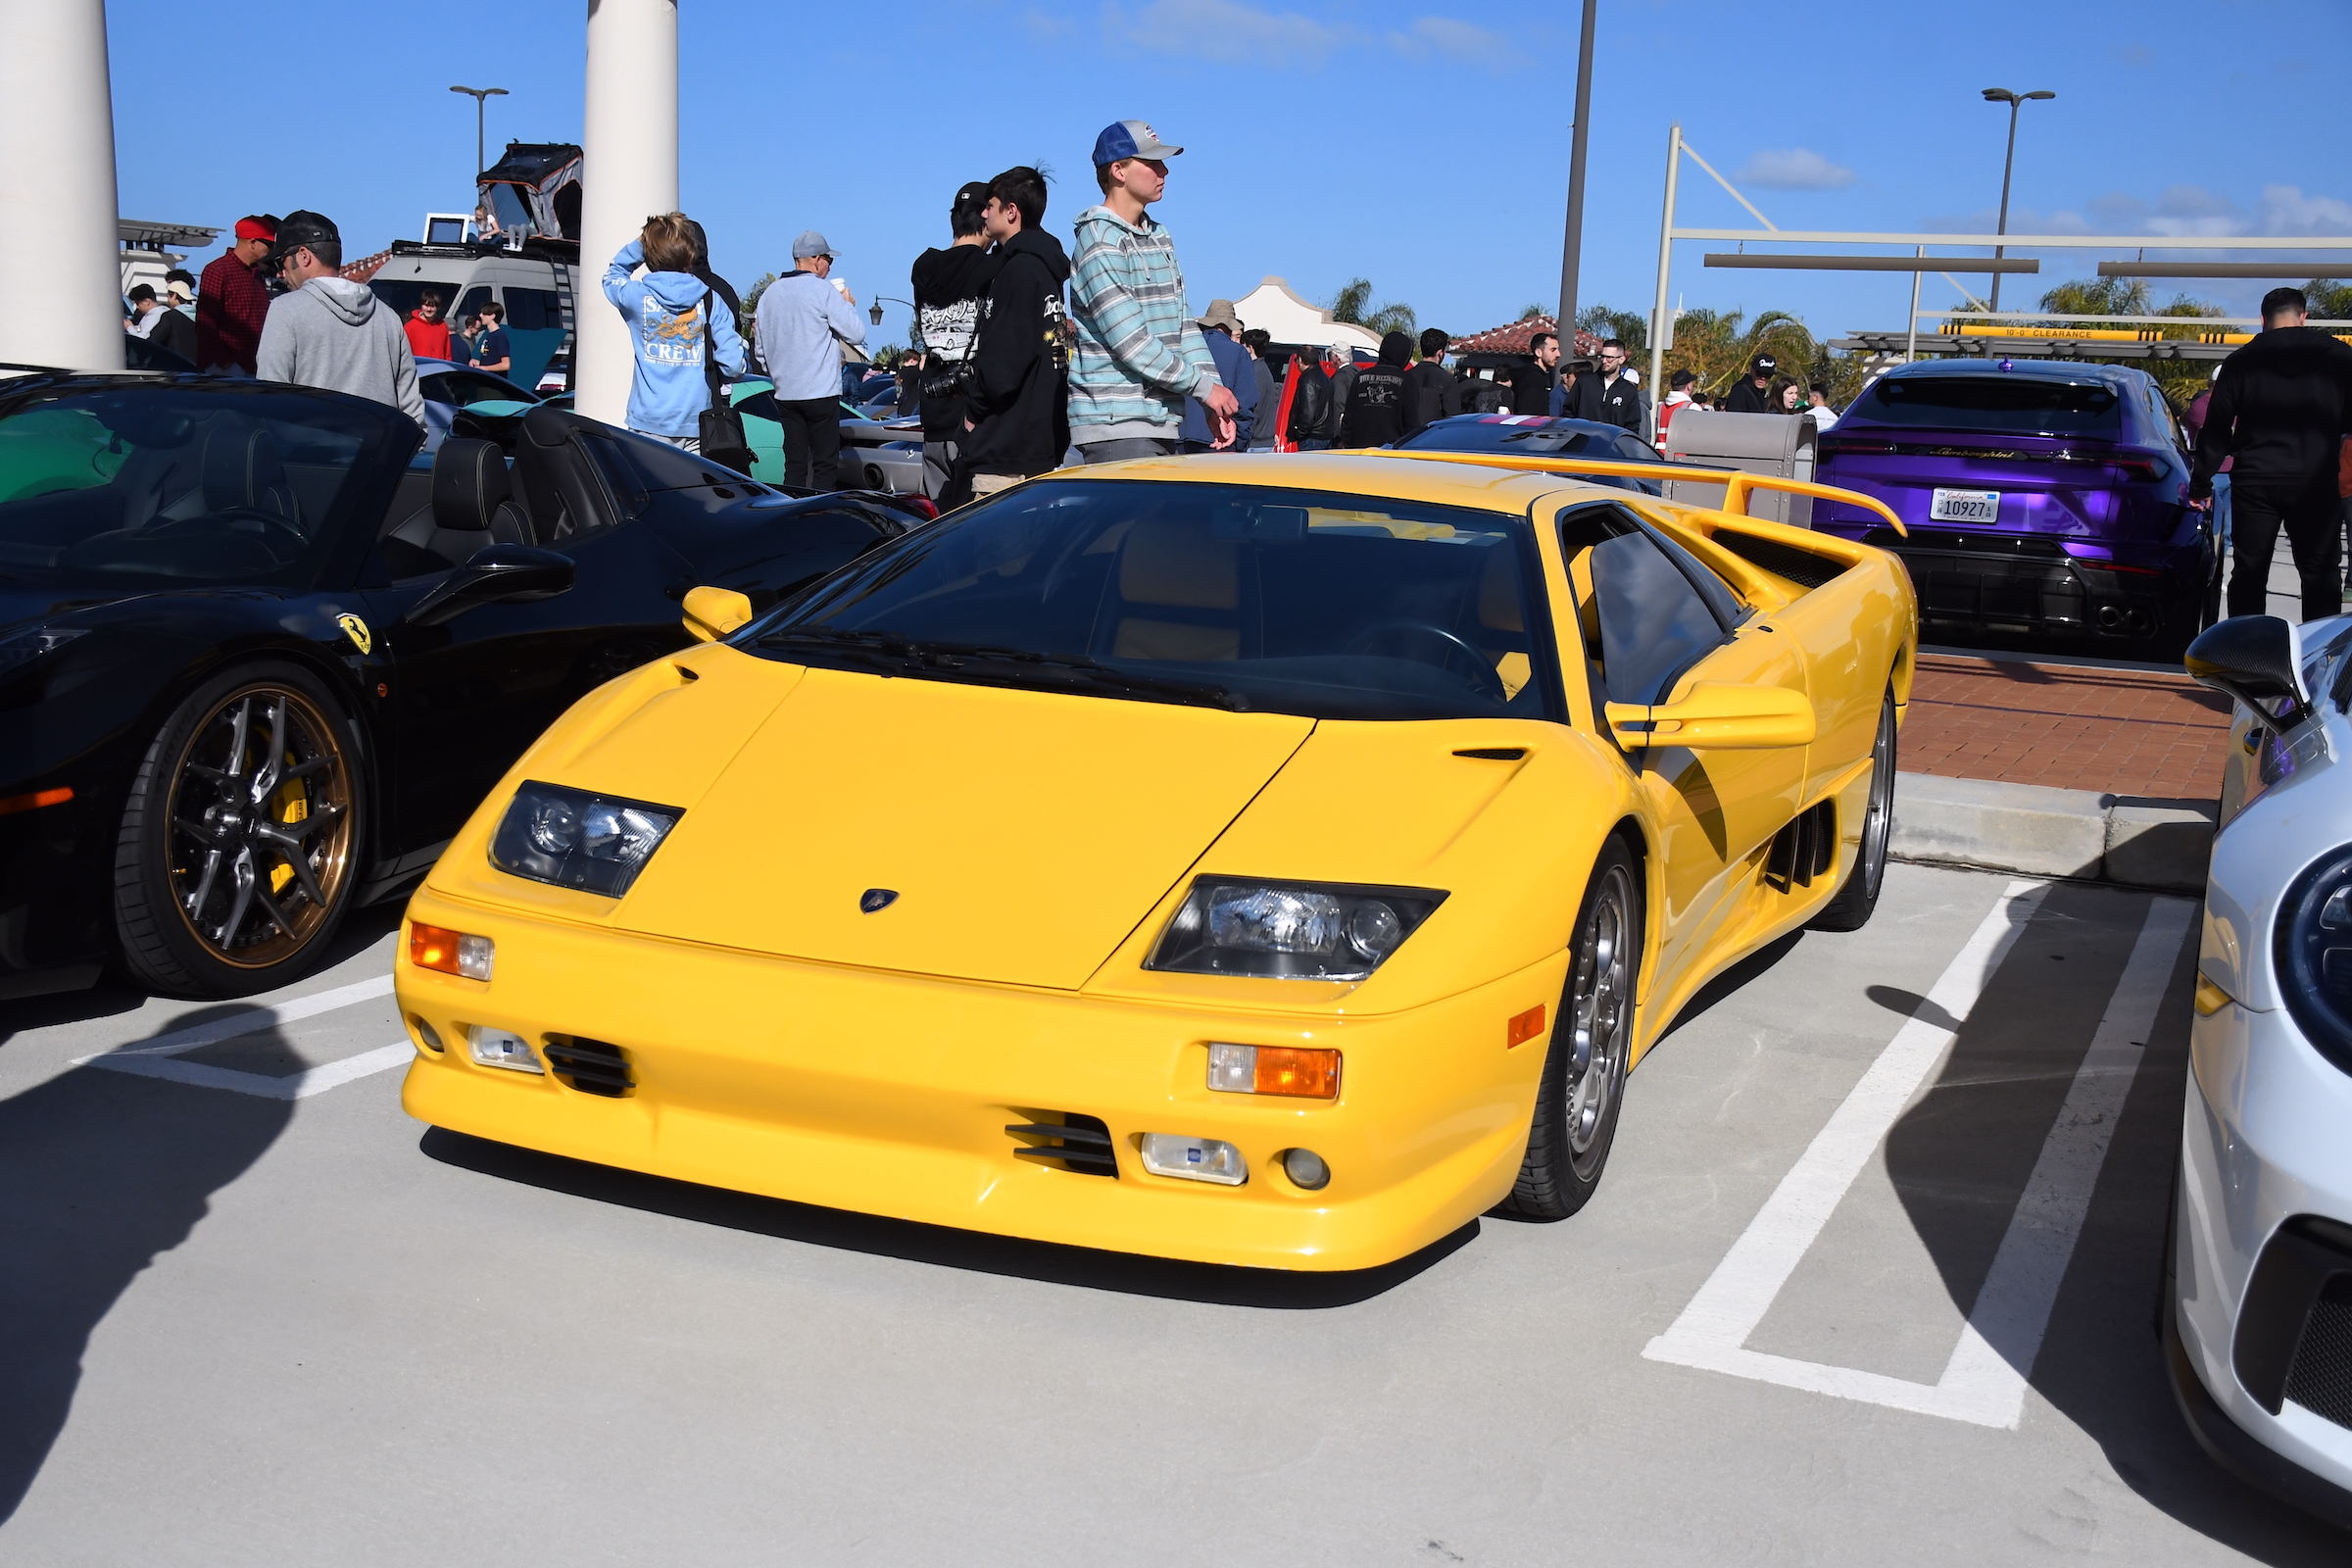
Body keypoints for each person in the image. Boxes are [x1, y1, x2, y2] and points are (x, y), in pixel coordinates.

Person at [1067, 120, 1238, 463]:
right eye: (1152, 162)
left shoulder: (1160, 237)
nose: (1164, 171)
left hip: (1160, 423)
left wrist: (1211, 399)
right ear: (1118, 171)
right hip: (1116, 424)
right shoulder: (1098, 240)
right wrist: (1206, 390)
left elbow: (1184, 326)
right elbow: (1132, 342)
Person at [2191, 286, 2352, 621]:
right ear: (2303, 316)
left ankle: (2248, 646)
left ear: (2262, 319)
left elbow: (2217, 427)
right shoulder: (2339, 357)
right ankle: (2318, 647)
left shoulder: (2241, 361)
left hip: (2255, 479)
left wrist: (2201, 482)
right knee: (2320, 573)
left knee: (2250, 571)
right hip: (2316, 479)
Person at [952, 167, 1072, 502]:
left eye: (990, 205)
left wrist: (972, 416)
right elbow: (1057, 347)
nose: (983, 213)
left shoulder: (1019, 271)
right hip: (1040, 444)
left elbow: (1002, 364)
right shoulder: (1046, 271)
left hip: (1005, 451)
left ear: (1011, 211)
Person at [254, 211, 423, 427]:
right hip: (379, 445)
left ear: (304, 256)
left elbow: (270, 395)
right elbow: (410, 406)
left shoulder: (285, 310)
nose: (280, 274)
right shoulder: (387, 316)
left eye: (281, 263)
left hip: (307, 445)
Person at [602, 212, 749, 451]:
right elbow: (733, 366)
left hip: (647, 424)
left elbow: (613, 274)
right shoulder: (712, 301)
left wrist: (642, 244)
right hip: (698, 425)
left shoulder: (636, 297)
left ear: (649, 256)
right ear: (690, 257)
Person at [756, 229, 868, 490]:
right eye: (829, 260)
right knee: (824, 465)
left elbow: (761, 353)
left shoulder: (769, 295)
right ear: (817, 259)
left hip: (786, 394)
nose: (830, 266)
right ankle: (820, 510)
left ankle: (792, 509)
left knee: (794, 465)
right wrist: (847, 305)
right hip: (821, 393)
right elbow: (856, 333)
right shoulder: (823, 291)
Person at [910, 181, 1002, 498]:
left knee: (938, 513)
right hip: (972, 412)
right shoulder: (992, 268)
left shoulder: (923, 268)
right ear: (985, 218)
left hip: (933, 407)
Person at [195, 215, 277, 374]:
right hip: (226, 367)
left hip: (252, 364)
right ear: (253, 243)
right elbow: (205, 322)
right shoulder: (218, 270)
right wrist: (224, 361)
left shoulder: (256, 273)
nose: (271, 249)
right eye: (268, 244)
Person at [1179, 300, 1257, 453]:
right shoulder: (1238, 352)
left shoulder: (1184, 349)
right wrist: (1240, 441)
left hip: (1180, 435)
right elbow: (1245, 402)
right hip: (1221, 438)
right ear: (1230, 327)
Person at [1340, 331, 1412, 447]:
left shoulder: (1360, 377)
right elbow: (1412, 425)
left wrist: (1349, 446)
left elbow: (1348, 420)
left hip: (1360, 451)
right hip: (1392, 453)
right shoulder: (1408, 381)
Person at [1401, 326, 1461, 436]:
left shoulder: (1406, 377)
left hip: (1407, 439)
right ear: (1440, 353)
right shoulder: (1447, 380)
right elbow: (1453, 419)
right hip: (1434, 440)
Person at [1592, 338, 1647, 432]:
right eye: (1602, 356)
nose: (1604, 361)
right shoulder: (1584, 383)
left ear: (1621, 359)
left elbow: (1632, 426)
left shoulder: (1629, 391)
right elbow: (1569, 414)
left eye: (1609, 357)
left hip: (1614, 441)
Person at [1241, 328, 1281, 452]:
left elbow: (1255, 407)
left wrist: (1243, 435)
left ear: (1250, 348)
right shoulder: (1263, 369)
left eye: (1242, 345)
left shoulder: (1256, 372)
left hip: (1255, 444)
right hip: (1262, 441)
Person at [1513, 330, 1558, 416]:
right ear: (1538, 352)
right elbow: (1528, 414)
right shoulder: (1534, 378)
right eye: (1553, 350)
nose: (1558, 354)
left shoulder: (1535, 375)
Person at [404, 288, 454, 362]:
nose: (429, 309)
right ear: (421, 305)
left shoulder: (442, 326)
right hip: (419, 367)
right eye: (426, 305)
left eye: (432, 306)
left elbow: (447, 355)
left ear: (438, 307)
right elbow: (404, 354)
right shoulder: (410, 327)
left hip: (439, 367)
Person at [471, 303, 513, 378]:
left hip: (495, 381)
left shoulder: (499, 336)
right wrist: (478, 363)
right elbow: (491, 360)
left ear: (493, 316)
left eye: (484, 313)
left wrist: (484, 368)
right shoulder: (489, 335)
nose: (480, 315)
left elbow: (506, 365)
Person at [1657, 368, 1698, 438]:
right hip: (1681, 445)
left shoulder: (1659, 407)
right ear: (1689, 386)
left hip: (1657, 445)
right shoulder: (1692, 407)